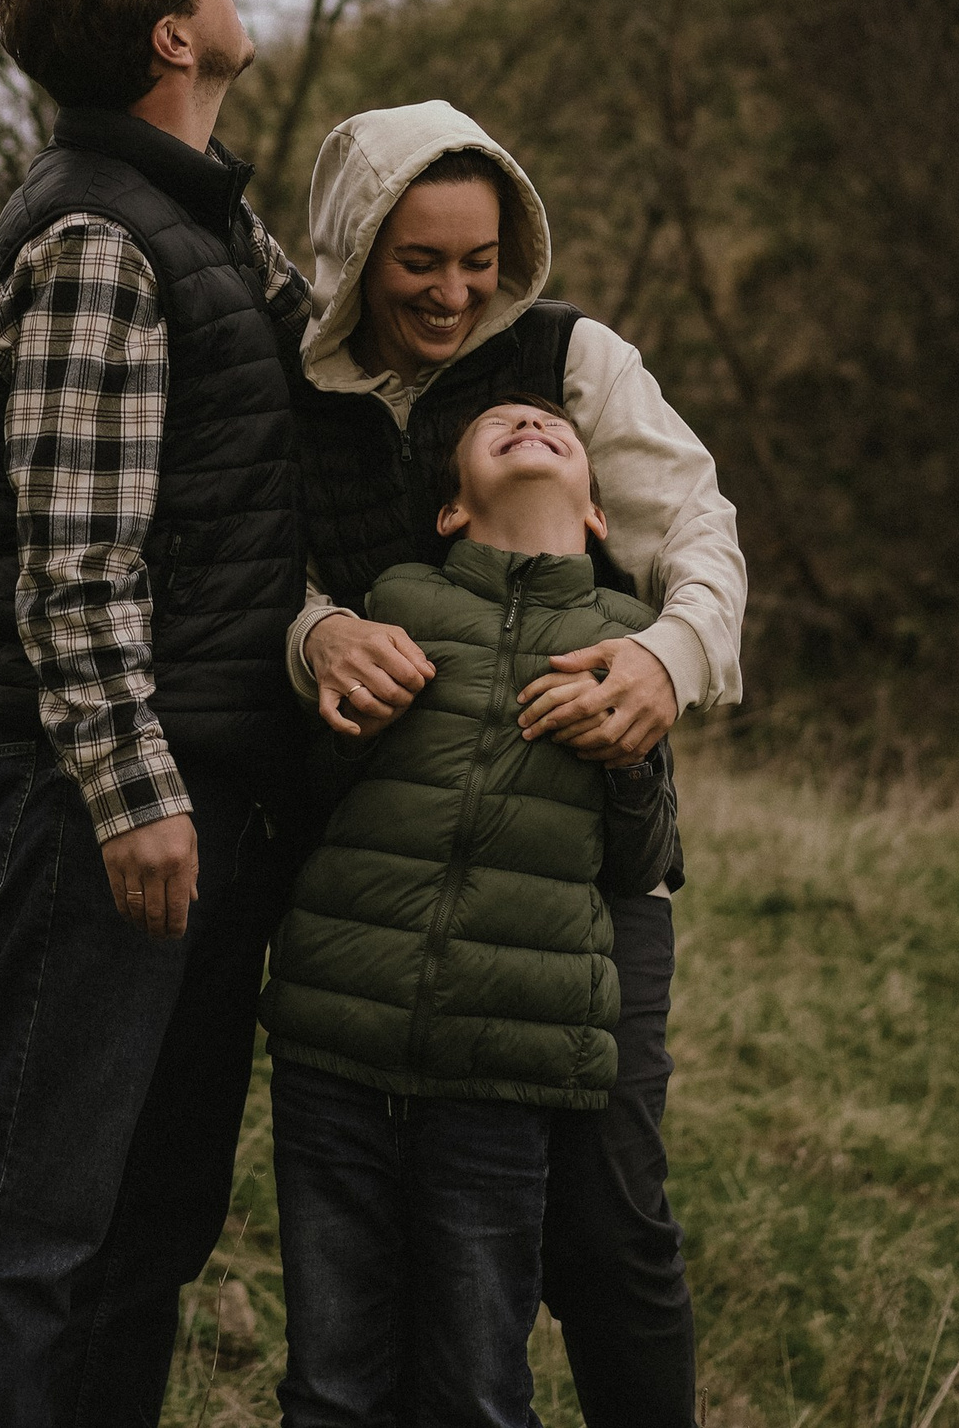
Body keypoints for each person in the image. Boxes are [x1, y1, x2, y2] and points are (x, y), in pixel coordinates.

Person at [0, 0, 309, 1428]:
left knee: (149, 1232)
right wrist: (137, 798)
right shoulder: (91, 240)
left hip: (206, 792)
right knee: (34, 1227)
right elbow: (74, 570)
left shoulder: (200, 219)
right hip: (104, 807)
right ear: (170, 30)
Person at [285, 102, 748, 1428]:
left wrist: (666, 657)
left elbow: (699, 530)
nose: (453, 290)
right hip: (386, 868)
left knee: (609, 1229)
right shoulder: (296, 389)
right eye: (418, 260)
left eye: (479, 257)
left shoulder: (569, 361)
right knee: (397, 1252)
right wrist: (316, 631)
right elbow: (257, 574)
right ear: (356, 249)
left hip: (580, 864)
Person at [262, 396, 675, 1428]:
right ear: (449, 508)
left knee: (478, 1391)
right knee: (328, 1383)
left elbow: (644, 857)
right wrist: (347, 710)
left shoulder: (628, 644)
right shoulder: (390, 606)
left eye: (557, 428)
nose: (533, 422)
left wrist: (624, 759)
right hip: (335, 1046)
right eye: (503, 423)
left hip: (507, 1070)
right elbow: (312, 796)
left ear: (594, 516)